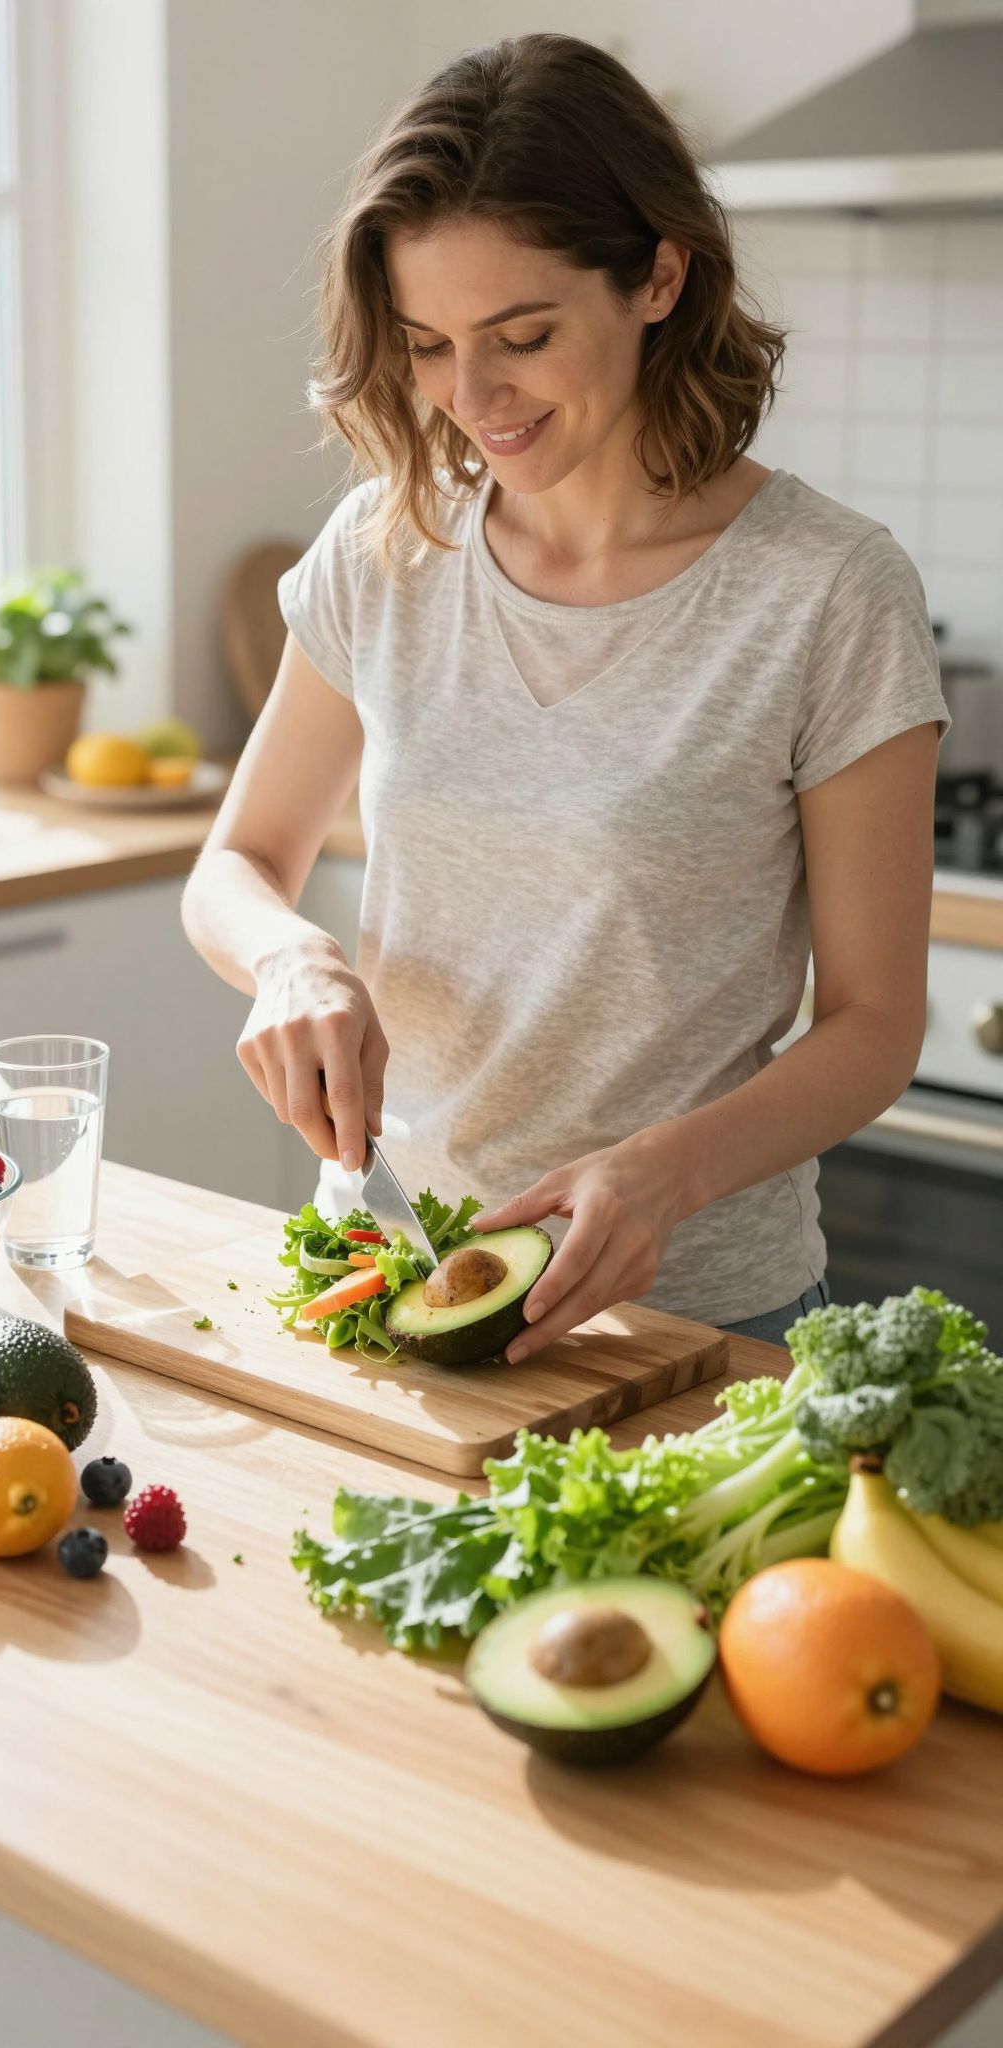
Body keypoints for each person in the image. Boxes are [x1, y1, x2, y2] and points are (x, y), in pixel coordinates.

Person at [182, 32, 950, 1352]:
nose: (470, 401)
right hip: (407, 1266)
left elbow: (876, 1026)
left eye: (521, 336)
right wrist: (290, 957)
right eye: (426, 345)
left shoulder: (826, 591)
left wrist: (662, 1173)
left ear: (659, 275)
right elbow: (237, 862)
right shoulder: (389, 547)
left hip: (701, 1316)